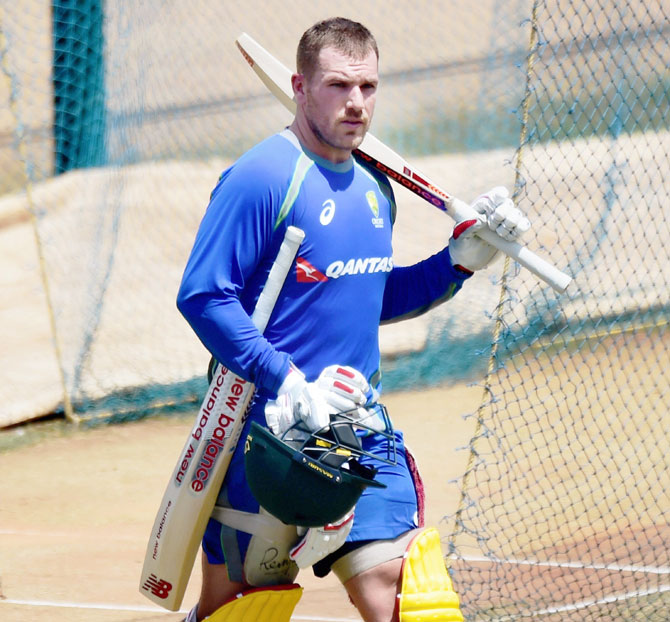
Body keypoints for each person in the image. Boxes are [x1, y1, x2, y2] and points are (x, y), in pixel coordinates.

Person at [176, 16, 529, 622]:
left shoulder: (374, 185)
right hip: (263, 438)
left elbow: (365, 296)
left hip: (356, 430)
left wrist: (456, 263)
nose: (357, 103)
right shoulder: (261, 178)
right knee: (239, 612)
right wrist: (285, 380)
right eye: (339, 85)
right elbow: (204, 296)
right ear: (299, 86)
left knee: (413, 599)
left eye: (368, 87)